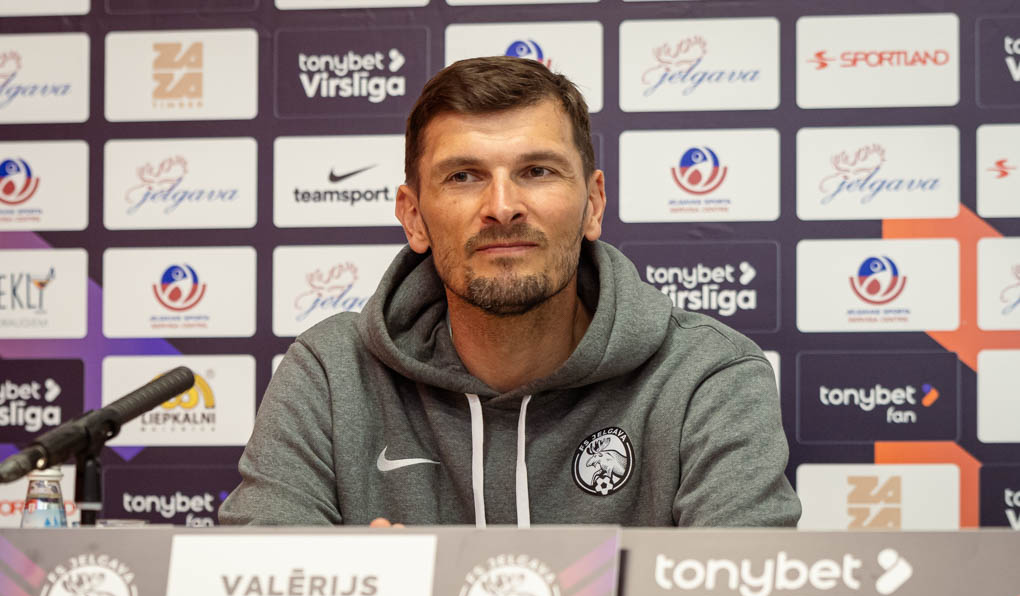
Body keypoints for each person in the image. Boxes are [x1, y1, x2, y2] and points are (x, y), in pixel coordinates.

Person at [219, 56, 801, 527]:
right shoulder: (329, 373)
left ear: (593, 204)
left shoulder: (706, 375)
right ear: (414, 217)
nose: (502, 207)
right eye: (463, 176)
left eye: (537, 171)